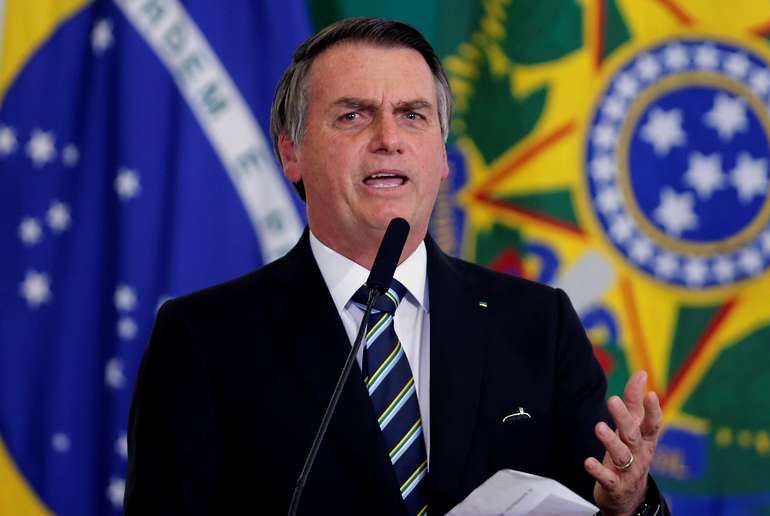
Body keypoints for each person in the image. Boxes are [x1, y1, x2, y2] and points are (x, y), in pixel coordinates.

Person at [125, 17, 669, 516]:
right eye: (353, 115)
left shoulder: (537, 325)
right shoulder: (204, 339)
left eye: (412, 115)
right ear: (291, 152)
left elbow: (599, 499)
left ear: (442, 155)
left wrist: (631, 502)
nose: (388, 140)